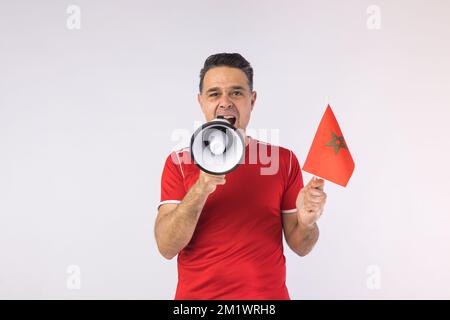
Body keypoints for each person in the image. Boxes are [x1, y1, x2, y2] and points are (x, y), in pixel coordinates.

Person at [154, 53, 327, 299]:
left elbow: (301, 245)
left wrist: (308, 222)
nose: (225, 102)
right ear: (201, 102)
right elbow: (167, 247)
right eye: (214, 94)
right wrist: (202, 186)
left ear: (252, 100)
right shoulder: (178, 163)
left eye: (236, 92)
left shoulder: (283, 161)